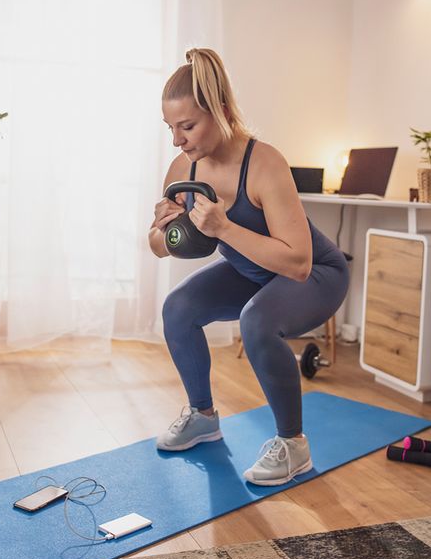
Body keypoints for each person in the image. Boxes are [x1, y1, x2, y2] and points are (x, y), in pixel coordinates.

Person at [149, 48, 350, 486]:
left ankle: (293, 446)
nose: (177, 140)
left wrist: (222, 227)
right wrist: (165, 231)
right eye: (170, 128)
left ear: (219, 112)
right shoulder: (183, 166)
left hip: (318, 274)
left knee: (256, 319)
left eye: (187, 126)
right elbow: (158, 245)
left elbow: (298, 263)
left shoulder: (264, 163)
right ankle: (202, 417)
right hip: (251, 271)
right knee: (178, 308)